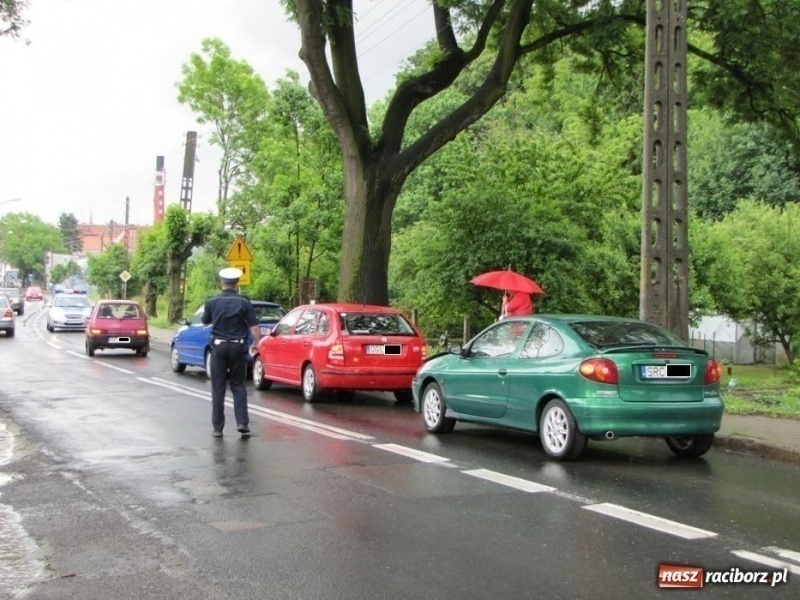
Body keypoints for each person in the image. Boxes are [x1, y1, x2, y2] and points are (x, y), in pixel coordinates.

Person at [202, 267, 261, 438]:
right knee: (238, 385)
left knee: (218, 387)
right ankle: (242, 423)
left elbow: (206, 323)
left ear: (222, 282)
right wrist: (256, 343)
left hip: (219, 348)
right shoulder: (244, 301)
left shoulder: (212, 301)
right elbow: (255, 327)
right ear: (237, 283)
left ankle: (217, 428)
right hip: (238, 347)